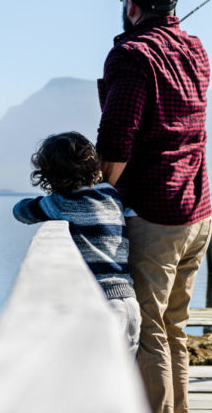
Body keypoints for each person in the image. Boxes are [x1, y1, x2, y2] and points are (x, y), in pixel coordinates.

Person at [96, 0, 212, 413]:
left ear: (132, 5)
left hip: (156, 217)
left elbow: (118, 140)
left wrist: (92, 193)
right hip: (198, 213)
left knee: (151, 338)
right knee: (175, 332)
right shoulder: (196, 51)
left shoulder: (132, 55)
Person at [12, 131, 140, 357]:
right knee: (125, 377)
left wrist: (46, 200)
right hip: (129, 300)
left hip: (102, 303)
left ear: (48, 174)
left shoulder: (64, 202)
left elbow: (21, 212)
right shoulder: (111, 195)